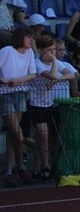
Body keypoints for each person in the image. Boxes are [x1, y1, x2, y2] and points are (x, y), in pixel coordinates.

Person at [27, 34, 69, 181]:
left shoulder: (55, 62)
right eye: (49, 50)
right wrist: (54, 62)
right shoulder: (37, 63)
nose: (52, 52)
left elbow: (70, 75)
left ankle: (37, 170)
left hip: (50, 104)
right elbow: (52, 76)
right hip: (36, 104)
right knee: (42, 133)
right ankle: (46, 165)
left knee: (43, 138)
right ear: (40, 50)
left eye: (53, 50)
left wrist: (58, 79)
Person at [0, 27, 39, 186]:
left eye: (32, 38)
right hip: (5, 93)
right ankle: (21, 164)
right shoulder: (7, 50)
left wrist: (19, 80)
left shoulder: (29, 53)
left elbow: (32, 73)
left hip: (20, 92)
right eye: (28, 37)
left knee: (12, 133)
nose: (31, 40)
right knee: (17, 132)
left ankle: (11, 170)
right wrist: (4, 81)